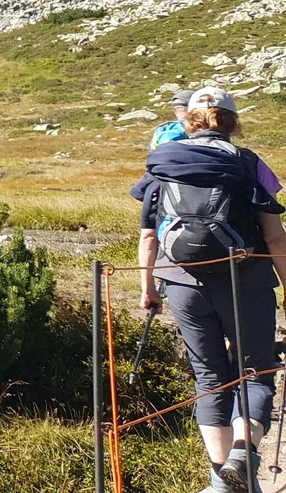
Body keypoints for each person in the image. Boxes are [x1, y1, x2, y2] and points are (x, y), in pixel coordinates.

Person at [134, 87, 286, 493]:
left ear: (189, 120)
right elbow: (275, 238)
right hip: (244, 280)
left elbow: (149, 236)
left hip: (181, 281)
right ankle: (244, 453)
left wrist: (148, 288)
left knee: (208, 375)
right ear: (233, 121)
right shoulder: (249, 162)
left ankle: (222, 482)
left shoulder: (161, 162)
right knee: (254, 370)